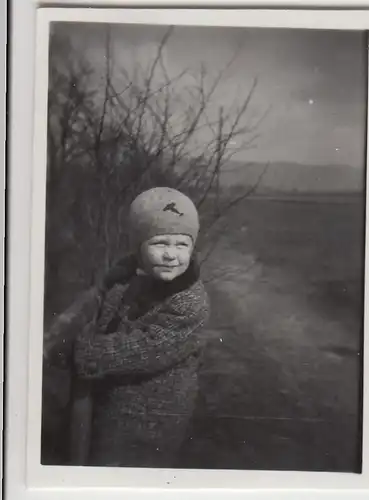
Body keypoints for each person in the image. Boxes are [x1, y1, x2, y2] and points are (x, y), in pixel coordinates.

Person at [70, 187, 210, 467]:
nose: (171, 254)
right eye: (160, 244)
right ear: (139, 248)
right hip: (111, 404)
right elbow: (102, 309)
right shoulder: (130, 279)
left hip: (152, 420)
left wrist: (85, 351)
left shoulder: (189, 303)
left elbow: (143, 349)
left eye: (181, 245)